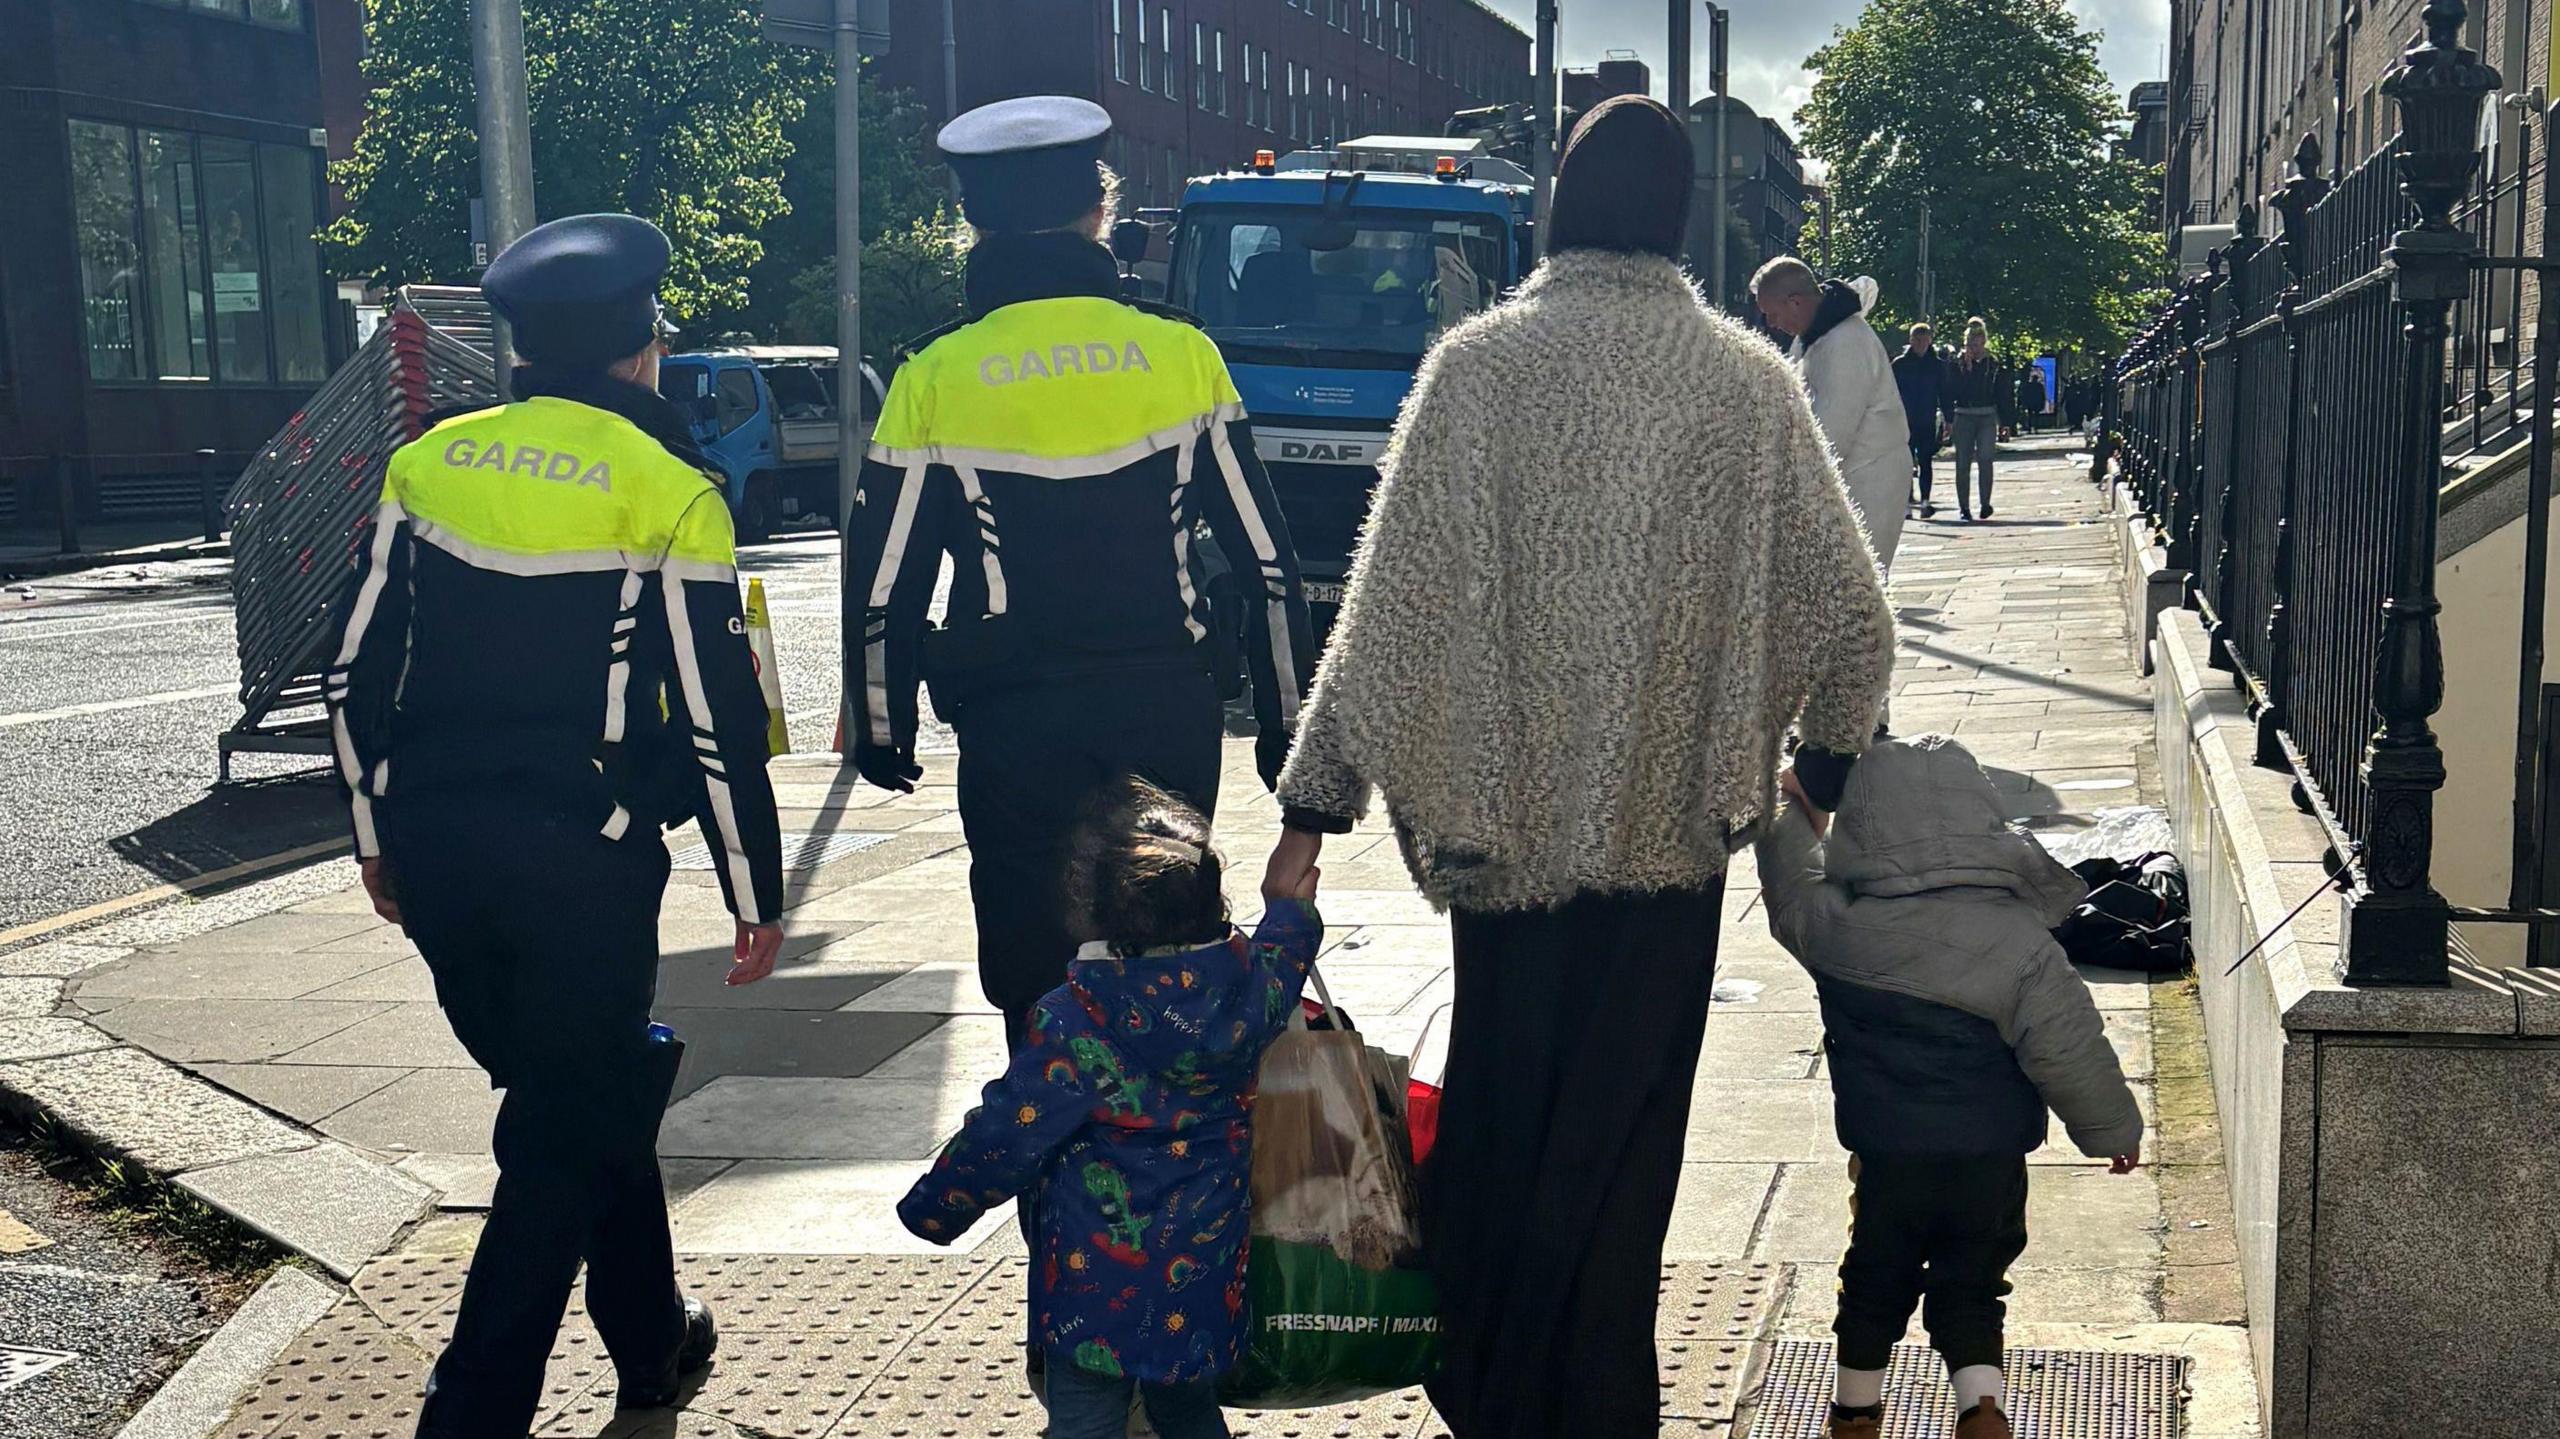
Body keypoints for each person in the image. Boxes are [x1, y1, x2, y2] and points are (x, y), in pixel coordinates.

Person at [1261, 96, 1897, 1438]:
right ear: (1679, 218)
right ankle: (1601, 1398)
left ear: (1561, 195)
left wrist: (1315, 811)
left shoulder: (1478, 369)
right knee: (1621, 1149)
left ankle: (1492, 1387)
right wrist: (1814, 781)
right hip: (1670, 852)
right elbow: (1856, 624)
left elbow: (1390, 605)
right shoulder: (1745, 382)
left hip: (1502, 848)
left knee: (1496, 1120)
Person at [325, 213, 788, 1437]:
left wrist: (375, 835)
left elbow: (352, 678)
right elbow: (717, 718)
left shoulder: (430, 462)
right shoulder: (671, 487)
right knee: (554, 1137)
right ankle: (469, 1413)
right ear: (642, 347)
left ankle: (652, 1347)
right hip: (585, 860)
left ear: (521, 348)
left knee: (578, 1094)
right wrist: (755, 889)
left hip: (432, 853)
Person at [848, 96, 1315, 1042]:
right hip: (1165, 719)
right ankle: (1171, 1171)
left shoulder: (934, 373)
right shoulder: (1182, 355)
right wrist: (1285, 724)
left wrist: (881, 720)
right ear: (1101, 211)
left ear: (973, 222)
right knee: (1172, 958)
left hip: (1018, 727)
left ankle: (1059, 1174)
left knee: (1038, 986)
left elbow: (884, 581)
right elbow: (1268, 563)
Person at [898, 777, 1323, 1439]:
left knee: (1086, 1417)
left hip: (1092, 1286)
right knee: (1186, 1407)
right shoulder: (1248, 992)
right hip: (1205, 1270)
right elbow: (1286, 943)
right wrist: (1289, 899)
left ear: (1089, 910)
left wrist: (936, 1205)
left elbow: (1007, 1134)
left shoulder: (1073, 1023)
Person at [1756, 737, 2144, 1439]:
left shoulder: (1837, 929)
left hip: (1889, 1154)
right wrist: (2112, 1131)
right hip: (1988, 1158)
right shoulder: (2020, 939)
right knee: (1974, 1278)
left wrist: (1797, 807)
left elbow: (1787, 882)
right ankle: (1981, 1407)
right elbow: (2069, 1045)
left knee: (1875, 1271)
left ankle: (1854, 1410)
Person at [1752, 257, 1915, 569]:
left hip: (1870, 476)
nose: (1771, 323)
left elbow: (1830, 434)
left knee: (1859, 581)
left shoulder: (1845, 343)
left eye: (1772, 314)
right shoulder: (1812, 339)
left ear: (1795, 302)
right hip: (1850, 475)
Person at [1891, 323, 1954, 519]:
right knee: (1904, 463)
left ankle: (1925, 501)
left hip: (1927, 419)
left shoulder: (1937, 366)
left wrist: (1948, 418)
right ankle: (1907, 502)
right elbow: (1891, 393)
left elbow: (1945, 393)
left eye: (1924, 340)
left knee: (1925, 460)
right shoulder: (1899, 365)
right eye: (1917, 340)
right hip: (1904, 420)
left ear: (1929, 341)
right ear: (1910, 340)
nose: (1920, 344)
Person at [1947, 318, 2005, 520]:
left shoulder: (1993, 364)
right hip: (1964, 414)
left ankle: (1985, 503)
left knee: (1986, 459)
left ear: (1984, 342)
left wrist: (2005, 421)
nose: (1975, 348)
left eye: (1978, 344)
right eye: (1971, 344)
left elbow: (2001, 392)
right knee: (1963, 463)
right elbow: (1953, 391)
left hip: (1987, 415)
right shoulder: (1957, 364)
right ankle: (1964, 507)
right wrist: (1967, 369)